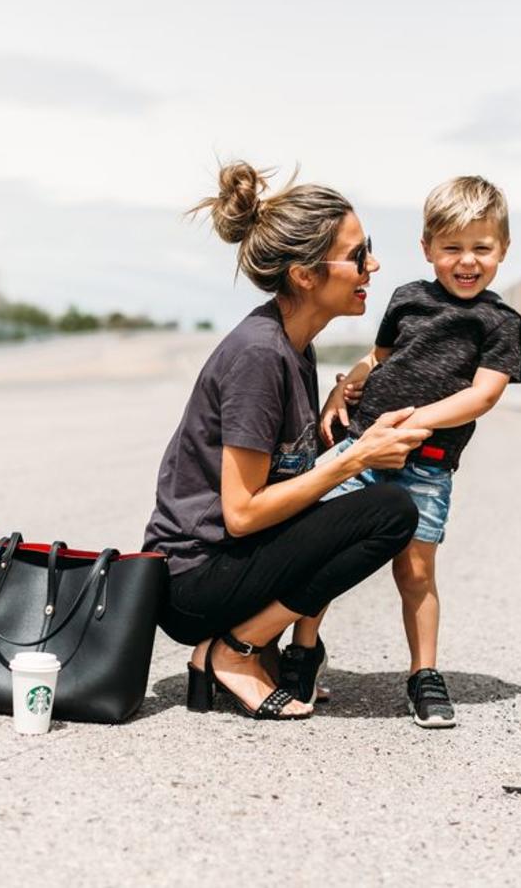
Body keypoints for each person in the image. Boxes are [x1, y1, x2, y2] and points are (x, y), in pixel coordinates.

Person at [142, 161, 431, 721]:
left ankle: (248, 646)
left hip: (227, 563)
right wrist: (354, 458)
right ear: (304, 275)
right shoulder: (259, 354)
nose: (371, 264)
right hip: (194, 577)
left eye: (366, 247)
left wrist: (344, 411)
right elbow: (243, 513)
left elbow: (286, 480)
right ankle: (237, 650)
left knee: (372, 507)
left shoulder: (295, 345)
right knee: (390, 512)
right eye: (355, 255)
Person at [320, 176, 521, 729]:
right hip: (364, 448)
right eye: (452, 248)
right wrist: (344, 384)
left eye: (481, 248)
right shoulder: (406, 299)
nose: (466, 261)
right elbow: (378, 359)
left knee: (415, 573)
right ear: (428, 249)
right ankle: (303, 653)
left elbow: (482, 395)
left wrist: (414, 425)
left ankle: (424, 674)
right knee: (322, 554)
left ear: (504, 250)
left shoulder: (500, 324)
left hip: (426, 467)